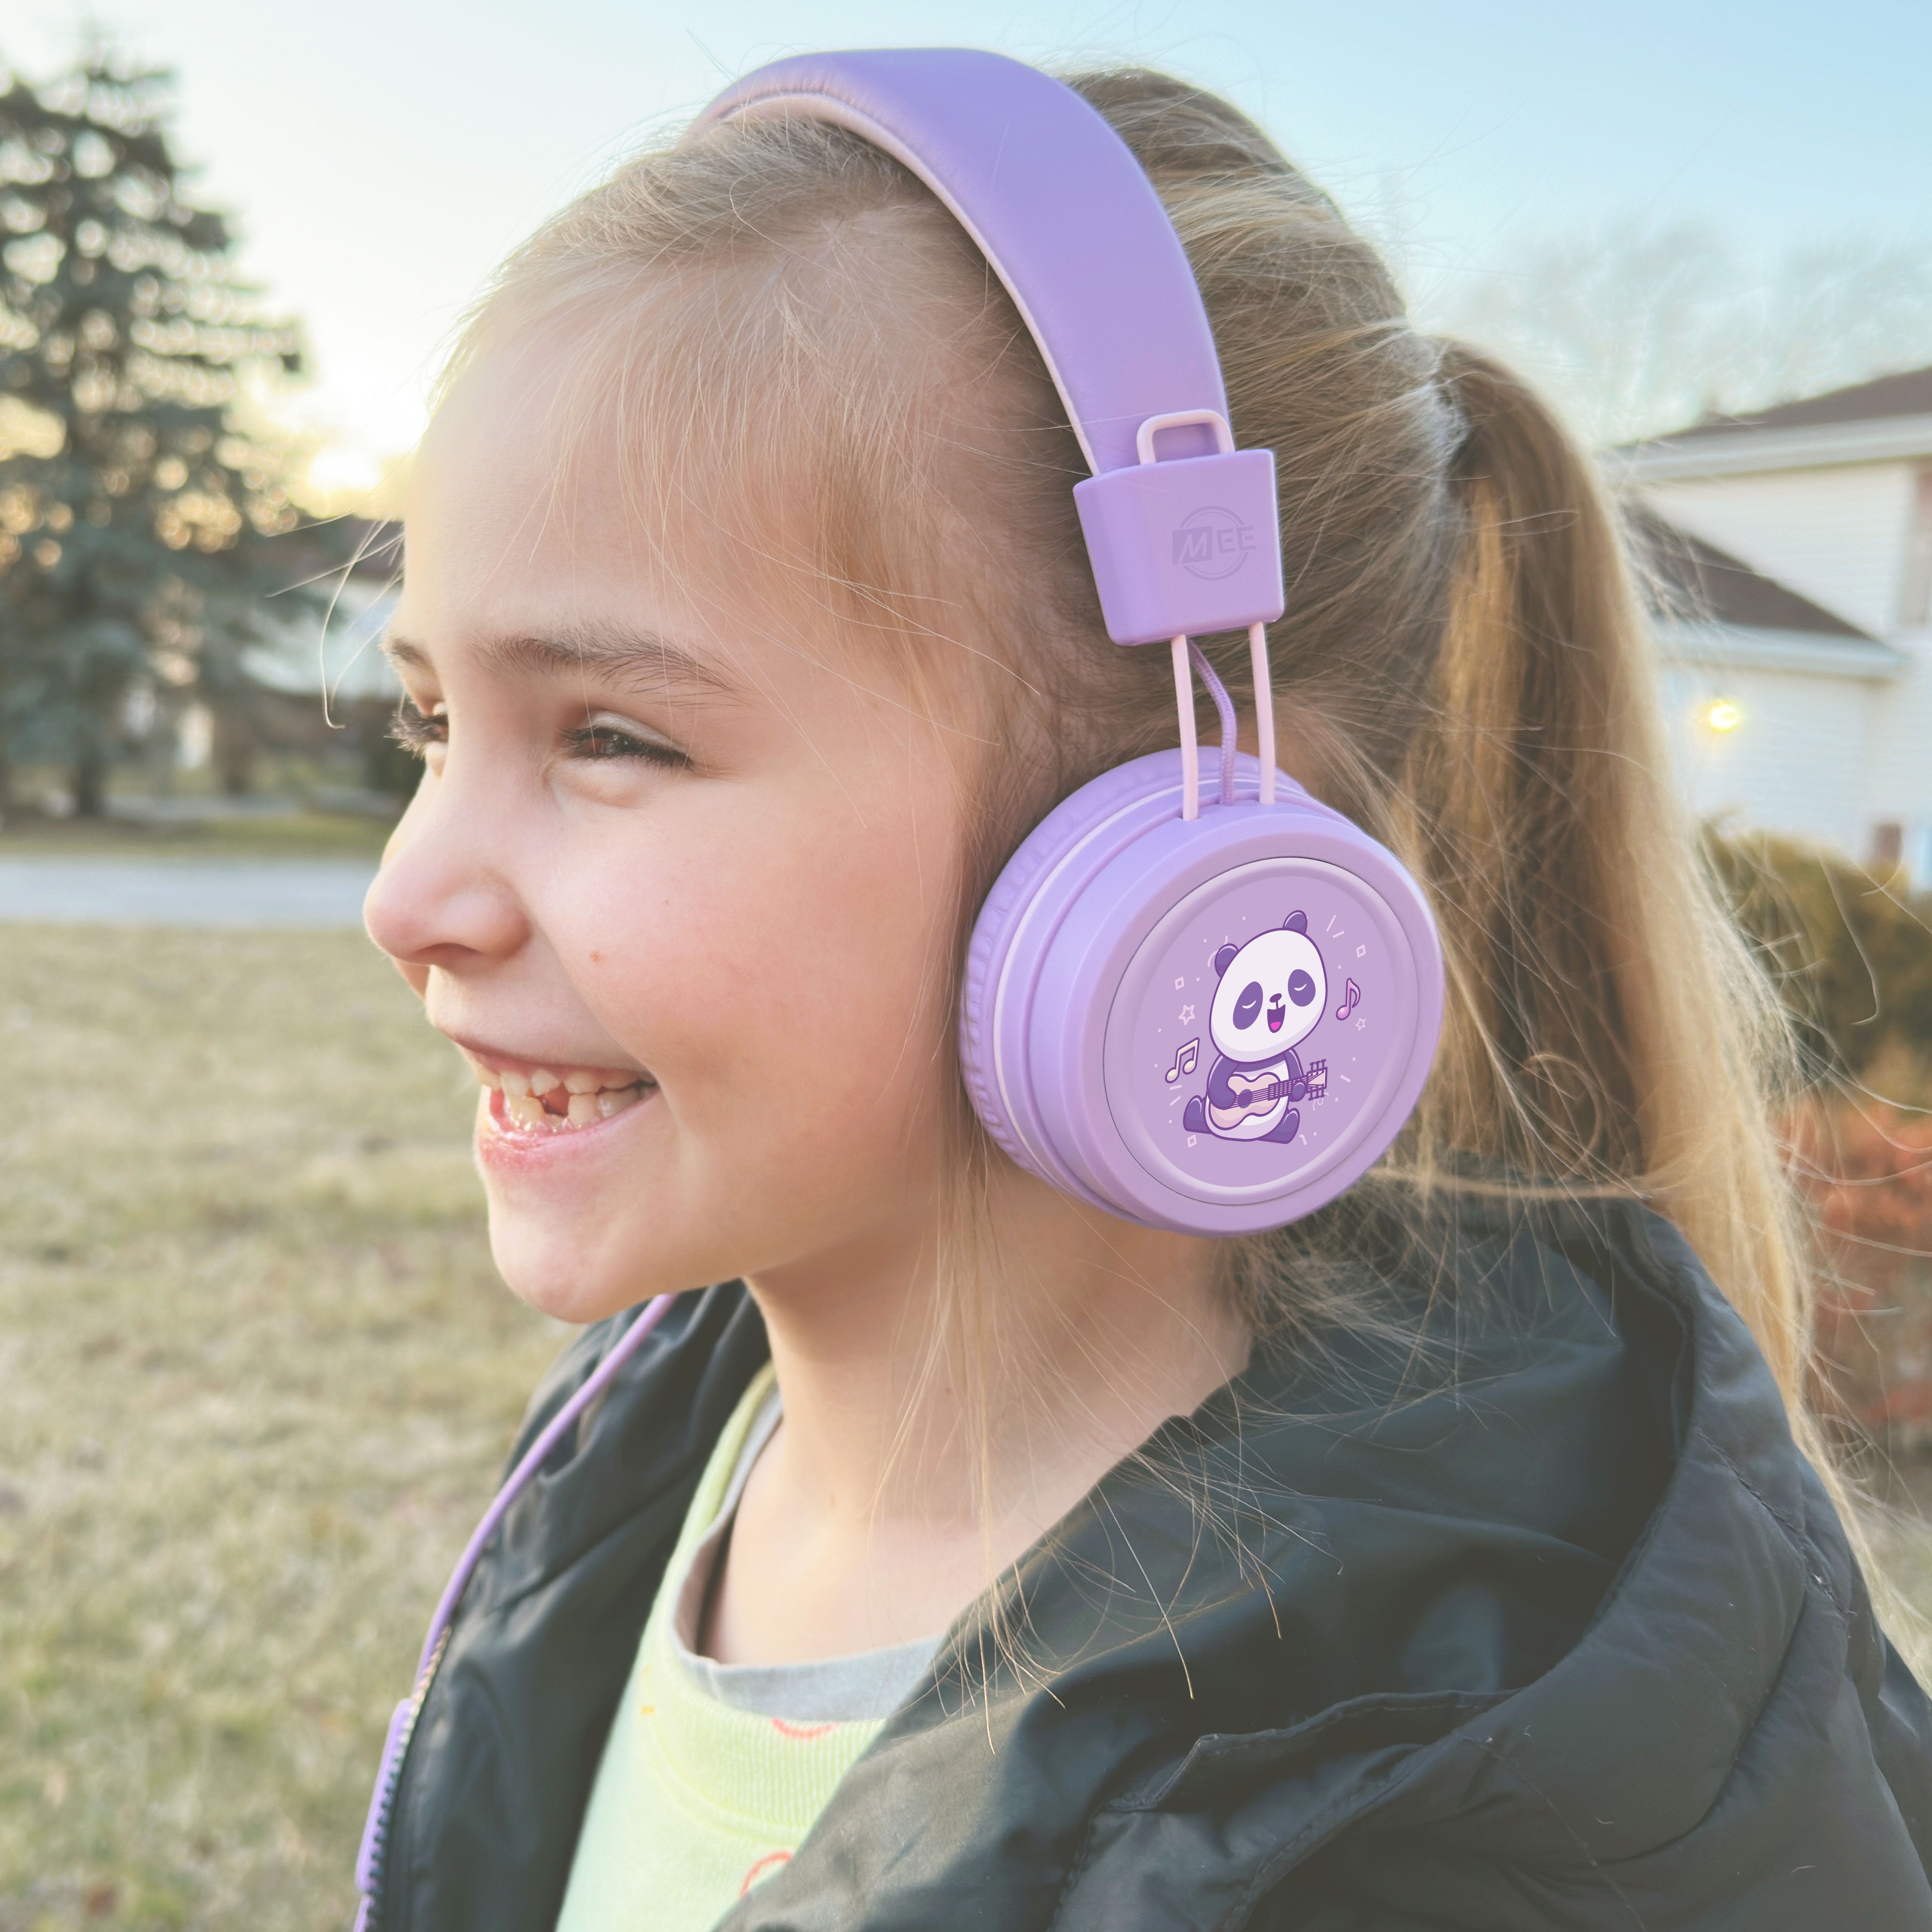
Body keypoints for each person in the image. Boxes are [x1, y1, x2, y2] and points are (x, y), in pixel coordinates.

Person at [353, 49, 1932, 1932]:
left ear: (1177, 848)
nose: (407, 893)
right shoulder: (675, 1438)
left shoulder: (1446, 1841)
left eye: (611, 735)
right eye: (430, 720)